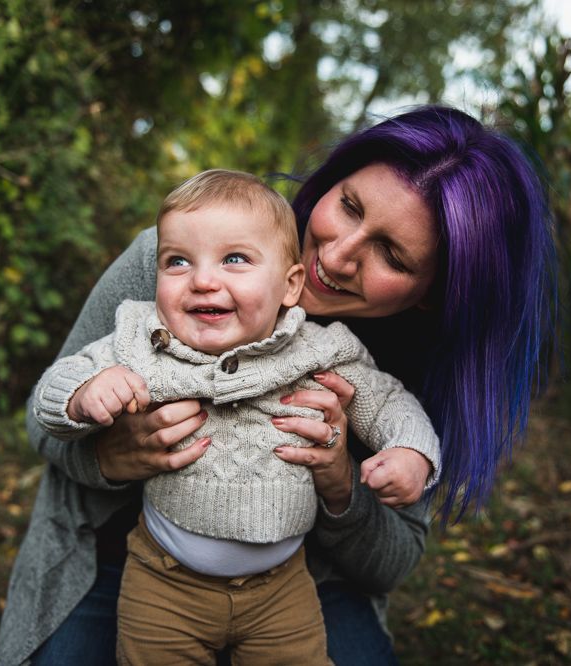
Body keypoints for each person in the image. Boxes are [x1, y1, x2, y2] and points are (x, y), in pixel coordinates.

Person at [0, 105, 556, 666]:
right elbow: (44, 421)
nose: (335, 257)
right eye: (349, 205)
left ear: (434, 292)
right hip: (129, 553)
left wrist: (341, 485)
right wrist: (111, 454)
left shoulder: (386, 359)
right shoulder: (181, 265)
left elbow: (393, 561)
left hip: (299, 578)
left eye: (390, 254)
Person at [31, 169, 441, 664]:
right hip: (162, 580)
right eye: (177, 262)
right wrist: (82, 399)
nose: (203, 280)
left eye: (234, 260)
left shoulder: (320, 352)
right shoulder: (146, 336)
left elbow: (391, 402)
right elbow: (51, 395)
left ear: (289, 285)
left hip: (283, 586)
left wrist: (409, 453)